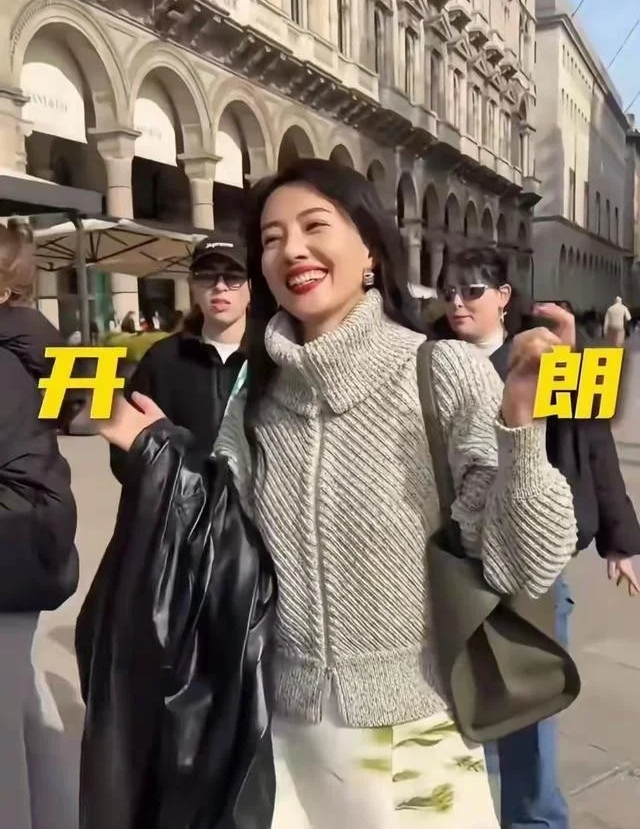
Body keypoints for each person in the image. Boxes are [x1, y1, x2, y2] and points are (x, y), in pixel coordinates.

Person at [98, 159, 578, 829]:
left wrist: (522, 428)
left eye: (314, 226)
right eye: (271, 239)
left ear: (370, 250)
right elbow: (220, 543)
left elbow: (524, 565)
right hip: (282, 740)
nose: (291, 249)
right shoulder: (256, 394)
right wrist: (160, 456)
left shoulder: (443, 370)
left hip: (415, 737)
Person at [434, 246, 640, 829]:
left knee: (529, 710)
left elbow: (593, 443)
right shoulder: (430, 359)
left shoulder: (540, 354)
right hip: (454, 563)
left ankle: (534, 821)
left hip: (531, 565)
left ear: (503, 296)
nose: (457, 302)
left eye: (472, 290)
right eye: (448, 291)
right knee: (455, 712)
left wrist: (621, 540)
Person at [0, 220, 79, 829]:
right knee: (21, 698)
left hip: (10, 540)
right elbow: (83, 410)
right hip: (38, 535)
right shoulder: (43, 340)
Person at [109, 238, 250, 482]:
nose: (220, 286)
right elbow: (123, 453)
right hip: (181, 502)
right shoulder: (161, 358)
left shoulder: (274, 358)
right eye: (206, 275)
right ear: (192, 285)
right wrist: (166, 456)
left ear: (252, 286)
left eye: (233, 276)